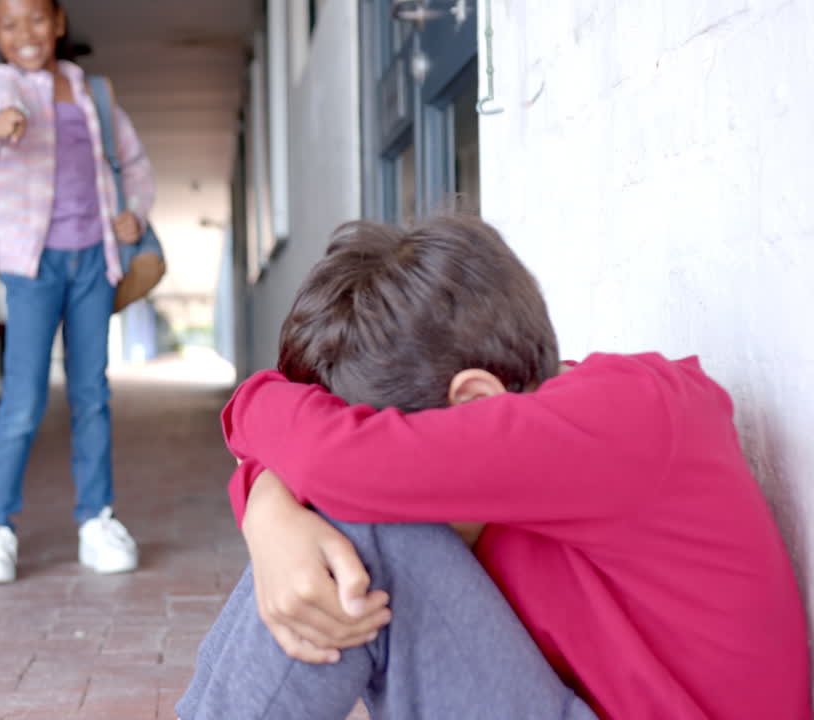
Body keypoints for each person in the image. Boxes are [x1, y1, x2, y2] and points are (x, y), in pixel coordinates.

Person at [178, 217, 811, 719]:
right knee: (343, 519)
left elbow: (330, 460)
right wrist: (272, 508)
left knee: (367, 534)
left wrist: (269, 470)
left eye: (390, 439)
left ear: (476, 402)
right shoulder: (542, 437)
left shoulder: (632, 416)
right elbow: (319, 459)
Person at [0, 0, 157, 584]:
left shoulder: (90, 90)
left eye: (37, 19)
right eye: (10, 23)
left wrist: (135, 216)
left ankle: (96, 520)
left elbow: (134, 163)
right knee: (22, 400)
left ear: (59, 23)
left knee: (92, 393)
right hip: (31, 265)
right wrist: (4, 122)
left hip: (92, 264)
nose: (26, 33)